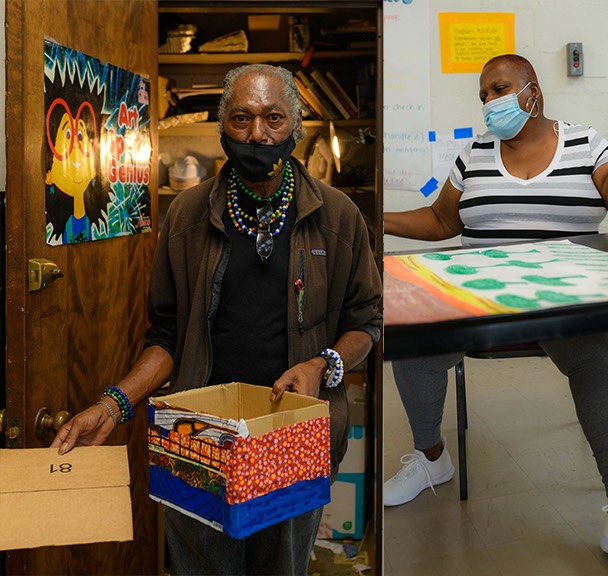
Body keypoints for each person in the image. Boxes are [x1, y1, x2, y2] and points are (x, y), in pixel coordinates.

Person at [50, 64, 383, 574]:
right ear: (222, 126)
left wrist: (322, 364)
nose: (257, 134)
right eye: (241, 118)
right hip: (197, 439)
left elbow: (367, 321)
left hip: (292, 436)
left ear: (295, 124)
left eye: (273, 118)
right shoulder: (185, 215)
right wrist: (114, 404)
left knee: (281, 566)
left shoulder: (338, 217)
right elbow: (165, 338)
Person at [381, 53, 608, 560]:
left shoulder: (586, 143)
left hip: (563, 300)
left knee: (600, 358)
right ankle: (431, 459)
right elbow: (444, 221)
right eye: (484, 94)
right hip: (478, 298)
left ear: (533, 91)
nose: (490, 101)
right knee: (411, 341)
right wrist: (376, 220)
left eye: (500, 88)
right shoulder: (473, 154)